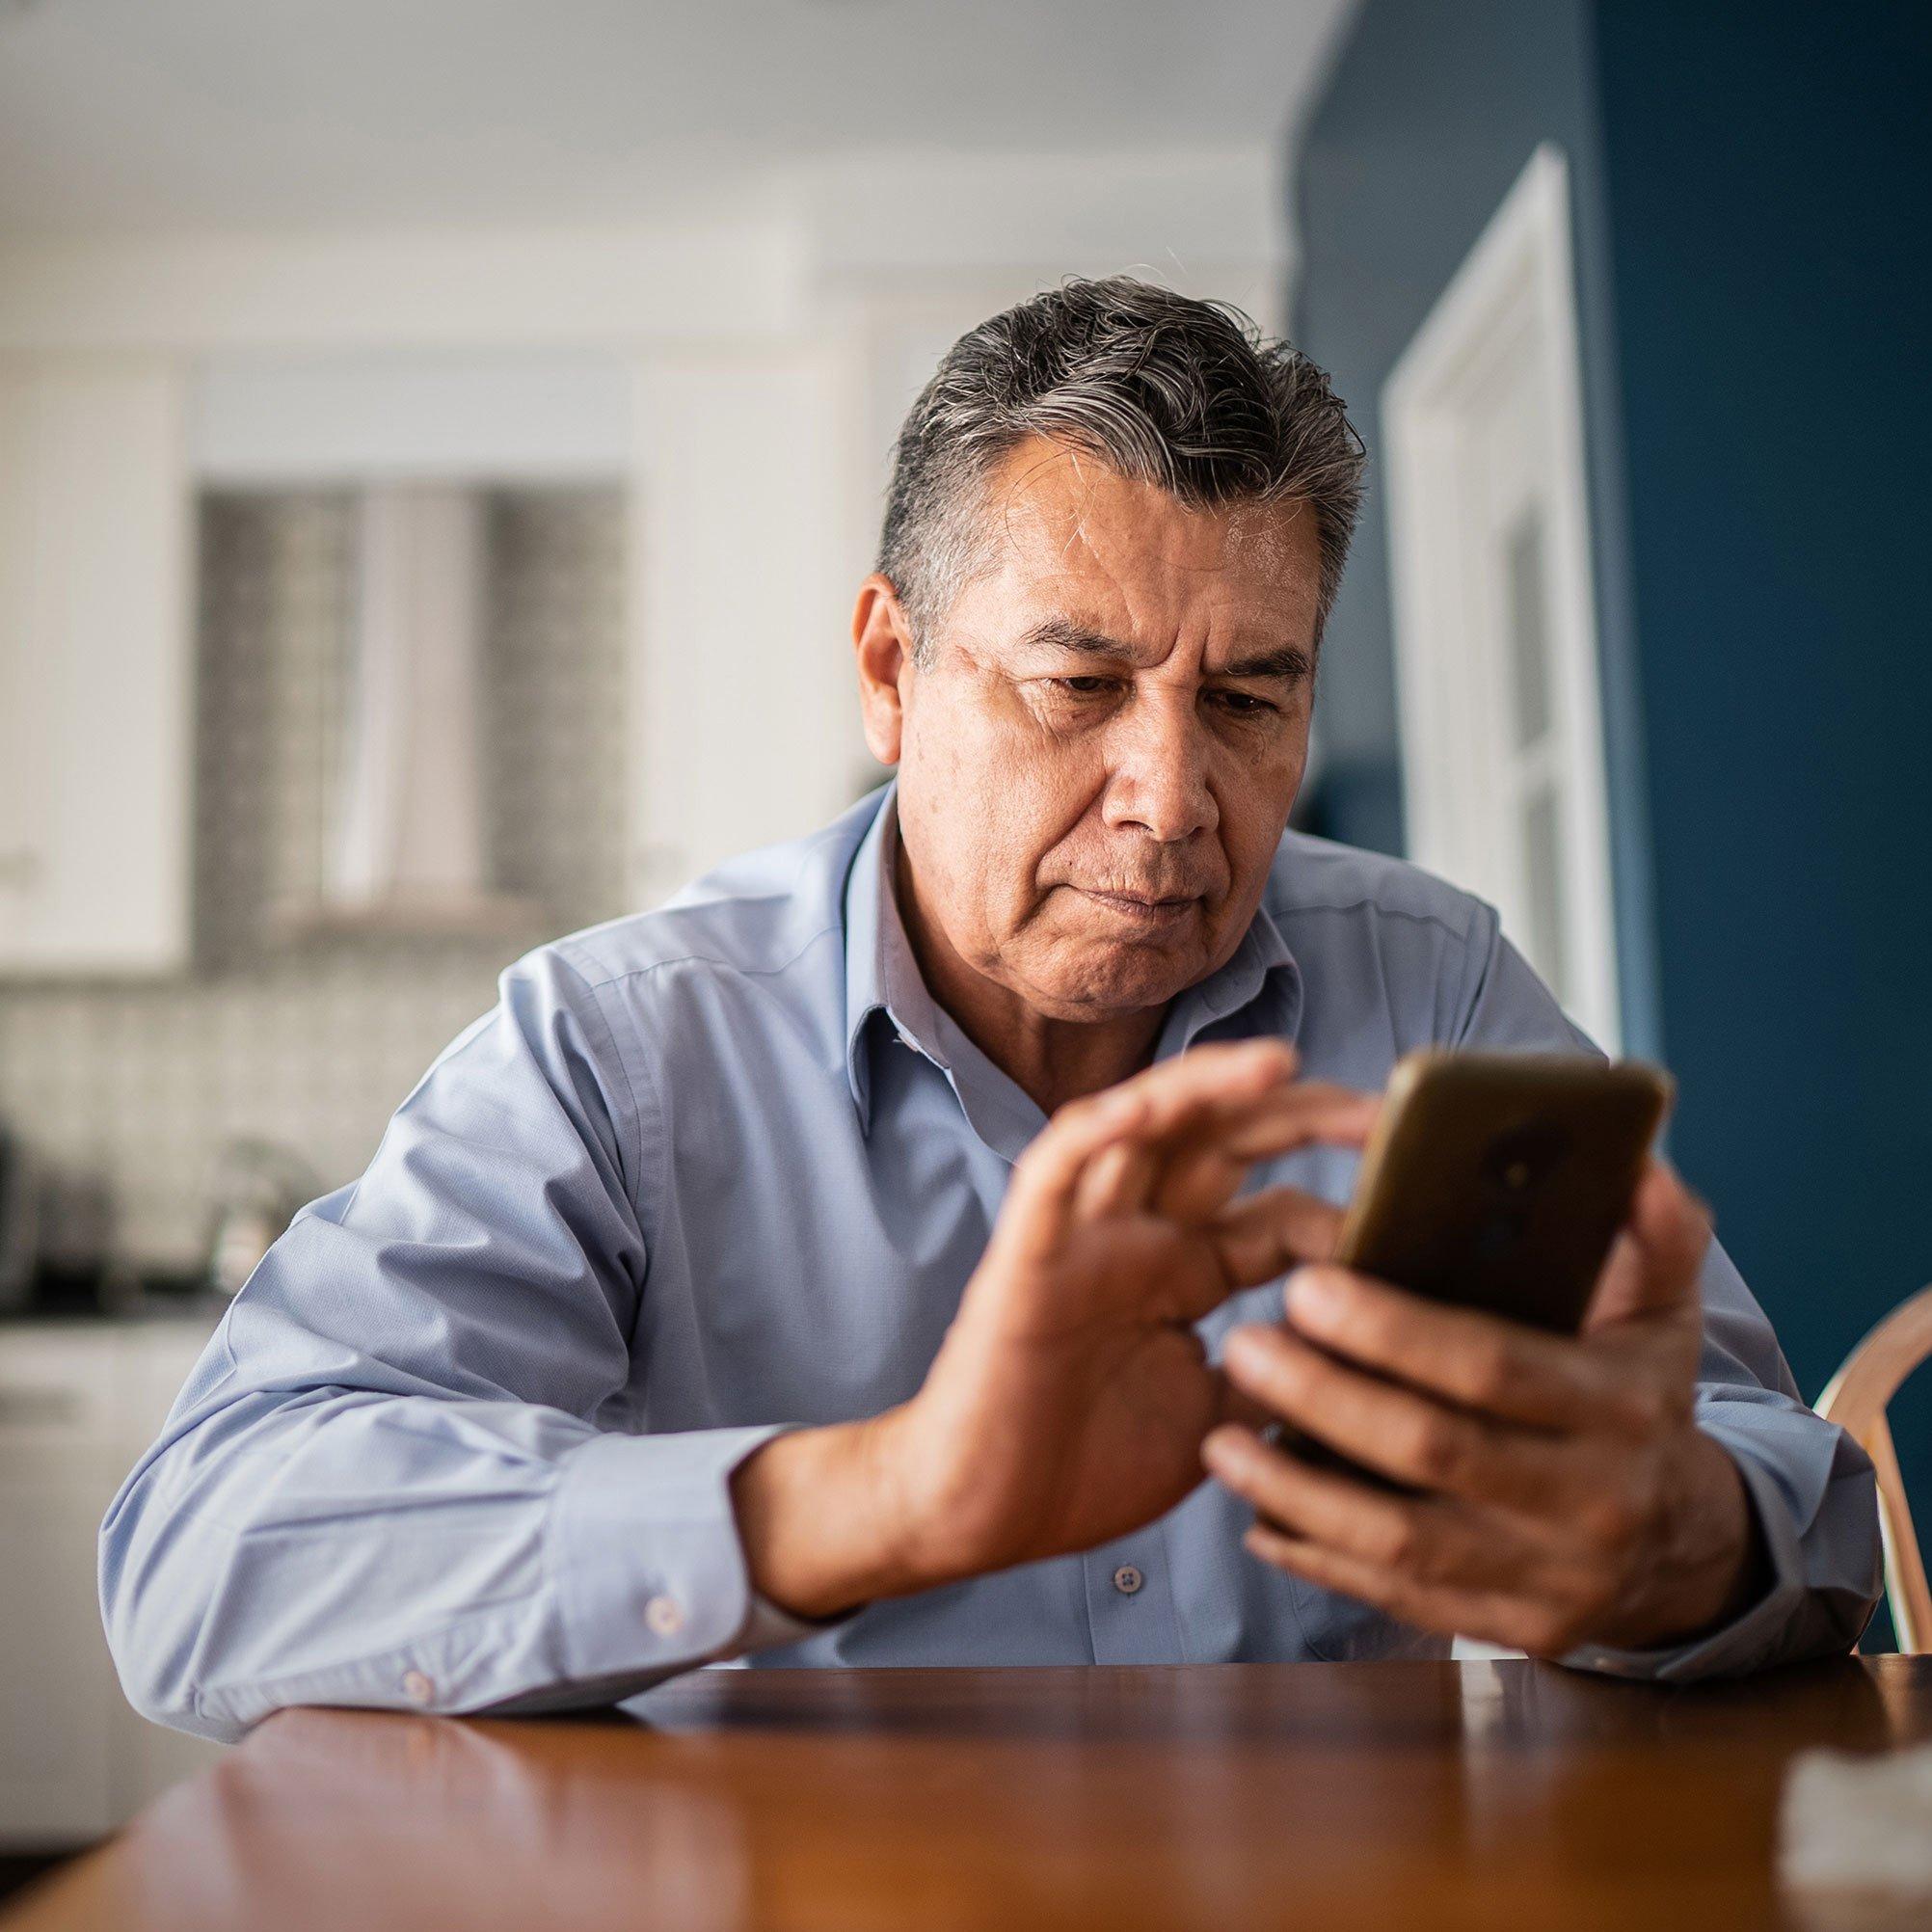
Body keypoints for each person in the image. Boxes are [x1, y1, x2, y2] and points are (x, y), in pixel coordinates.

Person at [101, 280, 1879, 1742]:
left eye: (1250, 697)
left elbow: (1796, 1497)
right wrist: (887, 1496)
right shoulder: (616, 1048)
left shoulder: (1439, 982)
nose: (1174, 798)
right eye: (1079, 685)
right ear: (891, 670)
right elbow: (205, 1554)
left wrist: (1674, 1544)